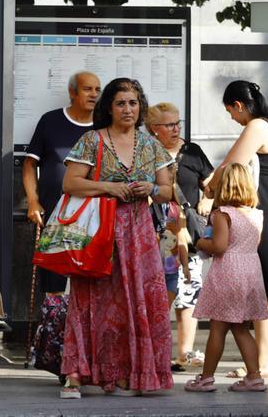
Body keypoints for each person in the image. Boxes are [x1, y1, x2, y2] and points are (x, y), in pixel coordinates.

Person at [59, 78, 175, 399]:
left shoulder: (150, 144)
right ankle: (75, 374)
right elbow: (70, 183)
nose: (128, 109)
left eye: (134, 103)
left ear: (141, 107)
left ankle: (126, 373)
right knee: (88, 299)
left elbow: (167, 190)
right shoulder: (92, 140)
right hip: (98, 229)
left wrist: (151, 188)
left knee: (132, 301)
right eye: (121, 103)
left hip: (139, 234)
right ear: (109, 107)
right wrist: (109, 187)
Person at [208, 80, 268, 378]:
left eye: (230, 111)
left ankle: (262, 363)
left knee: (266, 291)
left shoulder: (257, 126)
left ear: (238, 105)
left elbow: (230, 164)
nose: (232, 118)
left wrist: (209, 188)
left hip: (264, 207)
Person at [184, 163, 267, 393]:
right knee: (241, 329)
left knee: (217, 328)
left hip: (229, 272)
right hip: (251, 270)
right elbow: (254, 243)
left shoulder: (223, 214)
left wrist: (200, 242)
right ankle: (254, 376)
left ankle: (207, 378)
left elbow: (219, 246)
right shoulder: (256, 214)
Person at [146, 102, 214, 370]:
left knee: (188, 289)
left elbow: (210, 185)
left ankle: (184, 353)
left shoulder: (192, 151)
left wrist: (209, 198)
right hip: (154, 231)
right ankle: (155, 351)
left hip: (185, 228)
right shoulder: (146, 151)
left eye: (178, 123)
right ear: (154, 129)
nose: (176, 129)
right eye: (169, 125)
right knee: (160, 293)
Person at [23, 71, 100, 296]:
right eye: (88, 89)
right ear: (72, 92)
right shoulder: (51, 121)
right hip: (56, 214)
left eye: (97, 89)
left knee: (88, 282)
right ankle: (56, 329)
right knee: (54, 284)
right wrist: (33, 201)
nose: (94, 94)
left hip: (92, 217)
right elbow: (29, 164)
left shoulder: (105, 126)